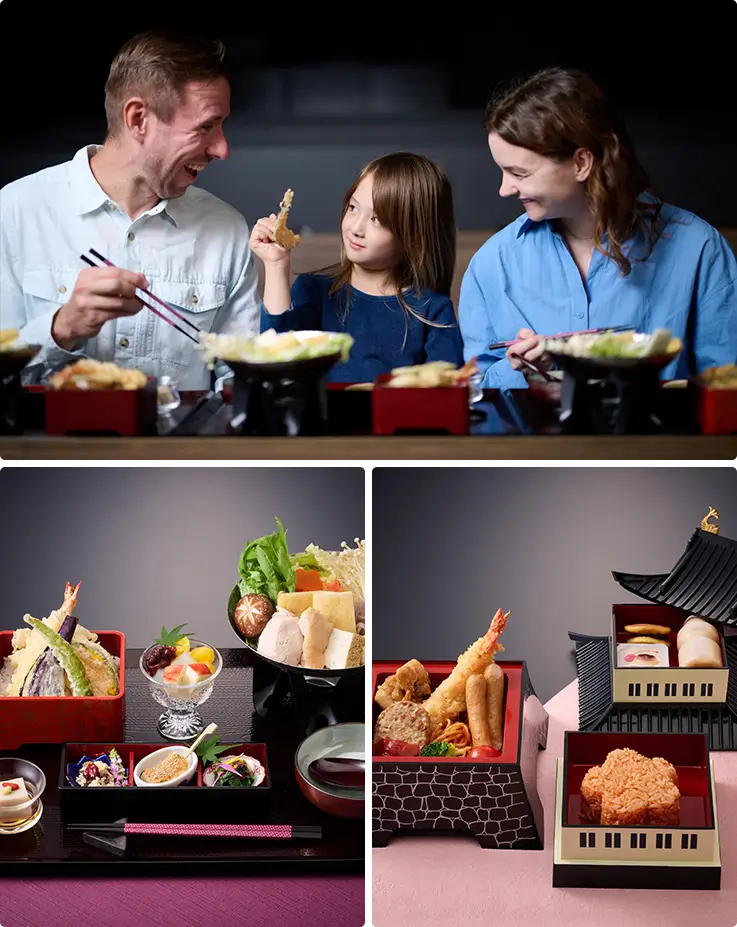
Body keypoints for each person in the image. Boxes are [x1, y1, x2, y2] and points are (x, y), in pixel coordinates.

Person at [0, 30, 260, 389]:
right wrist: (61, 328)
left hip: (180, 444)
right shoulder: (13, 212)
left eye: (222, 125)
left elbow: (243, 385)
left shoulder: (228, 229)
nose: (221, 149)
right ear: (138, 119)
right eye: (206, 127)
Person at [458, 66, 737, 389]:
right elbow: (478, 392)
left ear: (581, 163)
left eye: (518, 173)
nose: (504, 190)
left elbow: (726, 388)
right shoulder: (492, 264)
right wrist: (527, 370)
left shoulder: (699, 249)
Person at [248, 151, 464, 382]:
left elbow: (446, 393)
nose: (356, 228)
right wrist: (276, 266)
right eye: (353, 208)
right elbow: (277, 366)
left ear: (415, 236)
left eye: (377, 219)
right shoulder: (313, 291)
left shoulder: (434, 311)